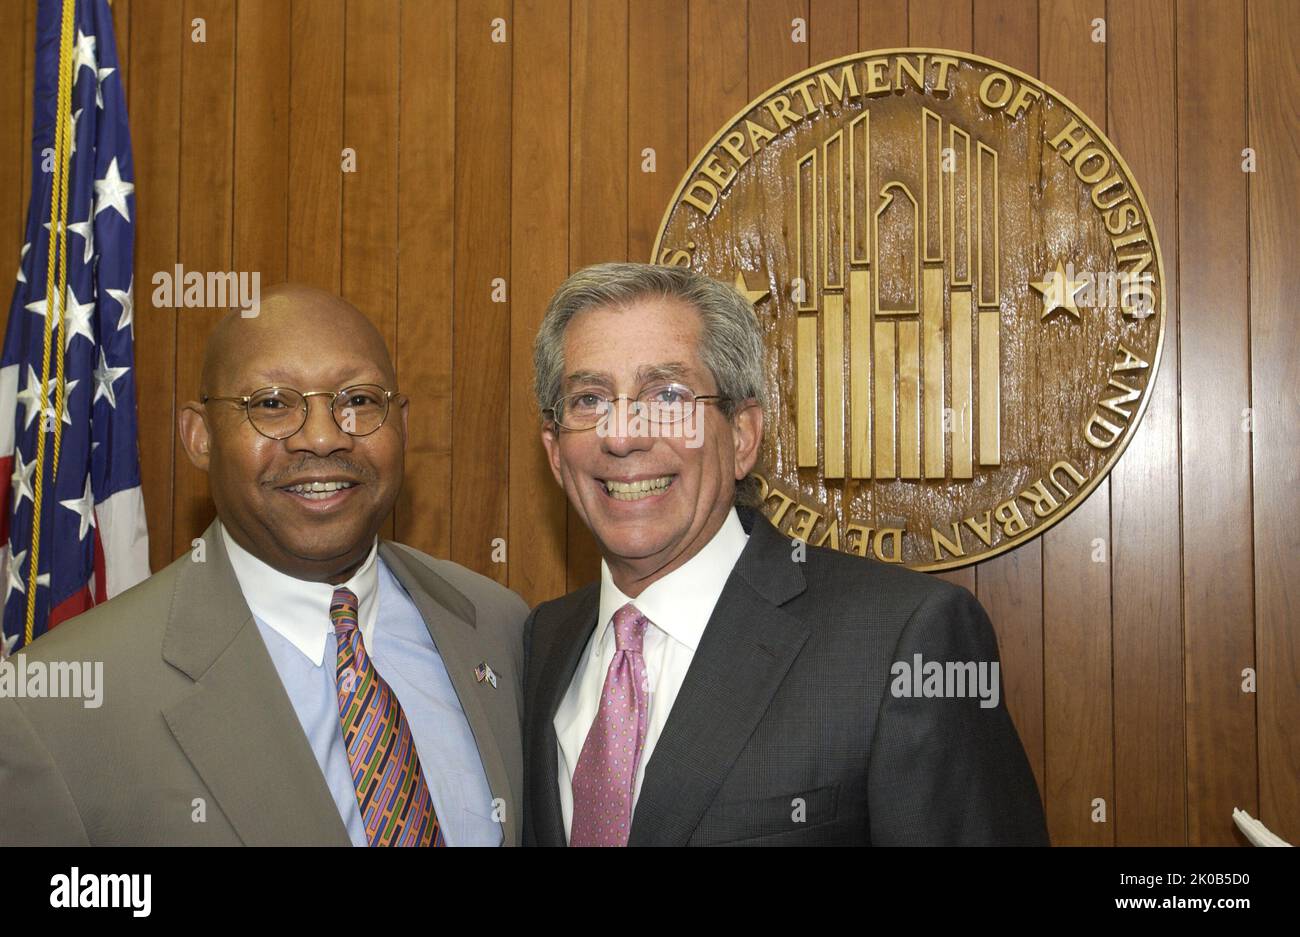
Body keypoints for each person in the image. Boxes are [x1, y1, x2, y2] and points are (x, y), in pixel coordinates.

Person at [523, 262, 1049, 846]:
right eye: (590, 399)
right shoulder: (541, 643)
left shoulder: (903, 641)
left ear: (743, 435)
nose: (622, 435)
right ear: (554, 451)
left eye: (667, 395)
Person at [0, 285, 526, 846]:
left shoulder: (496, 627)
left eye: (359, 400)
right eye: (272, 403)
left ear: (402, 423)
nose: (323, 438)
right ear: (199, 437)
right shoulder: (51, 709)